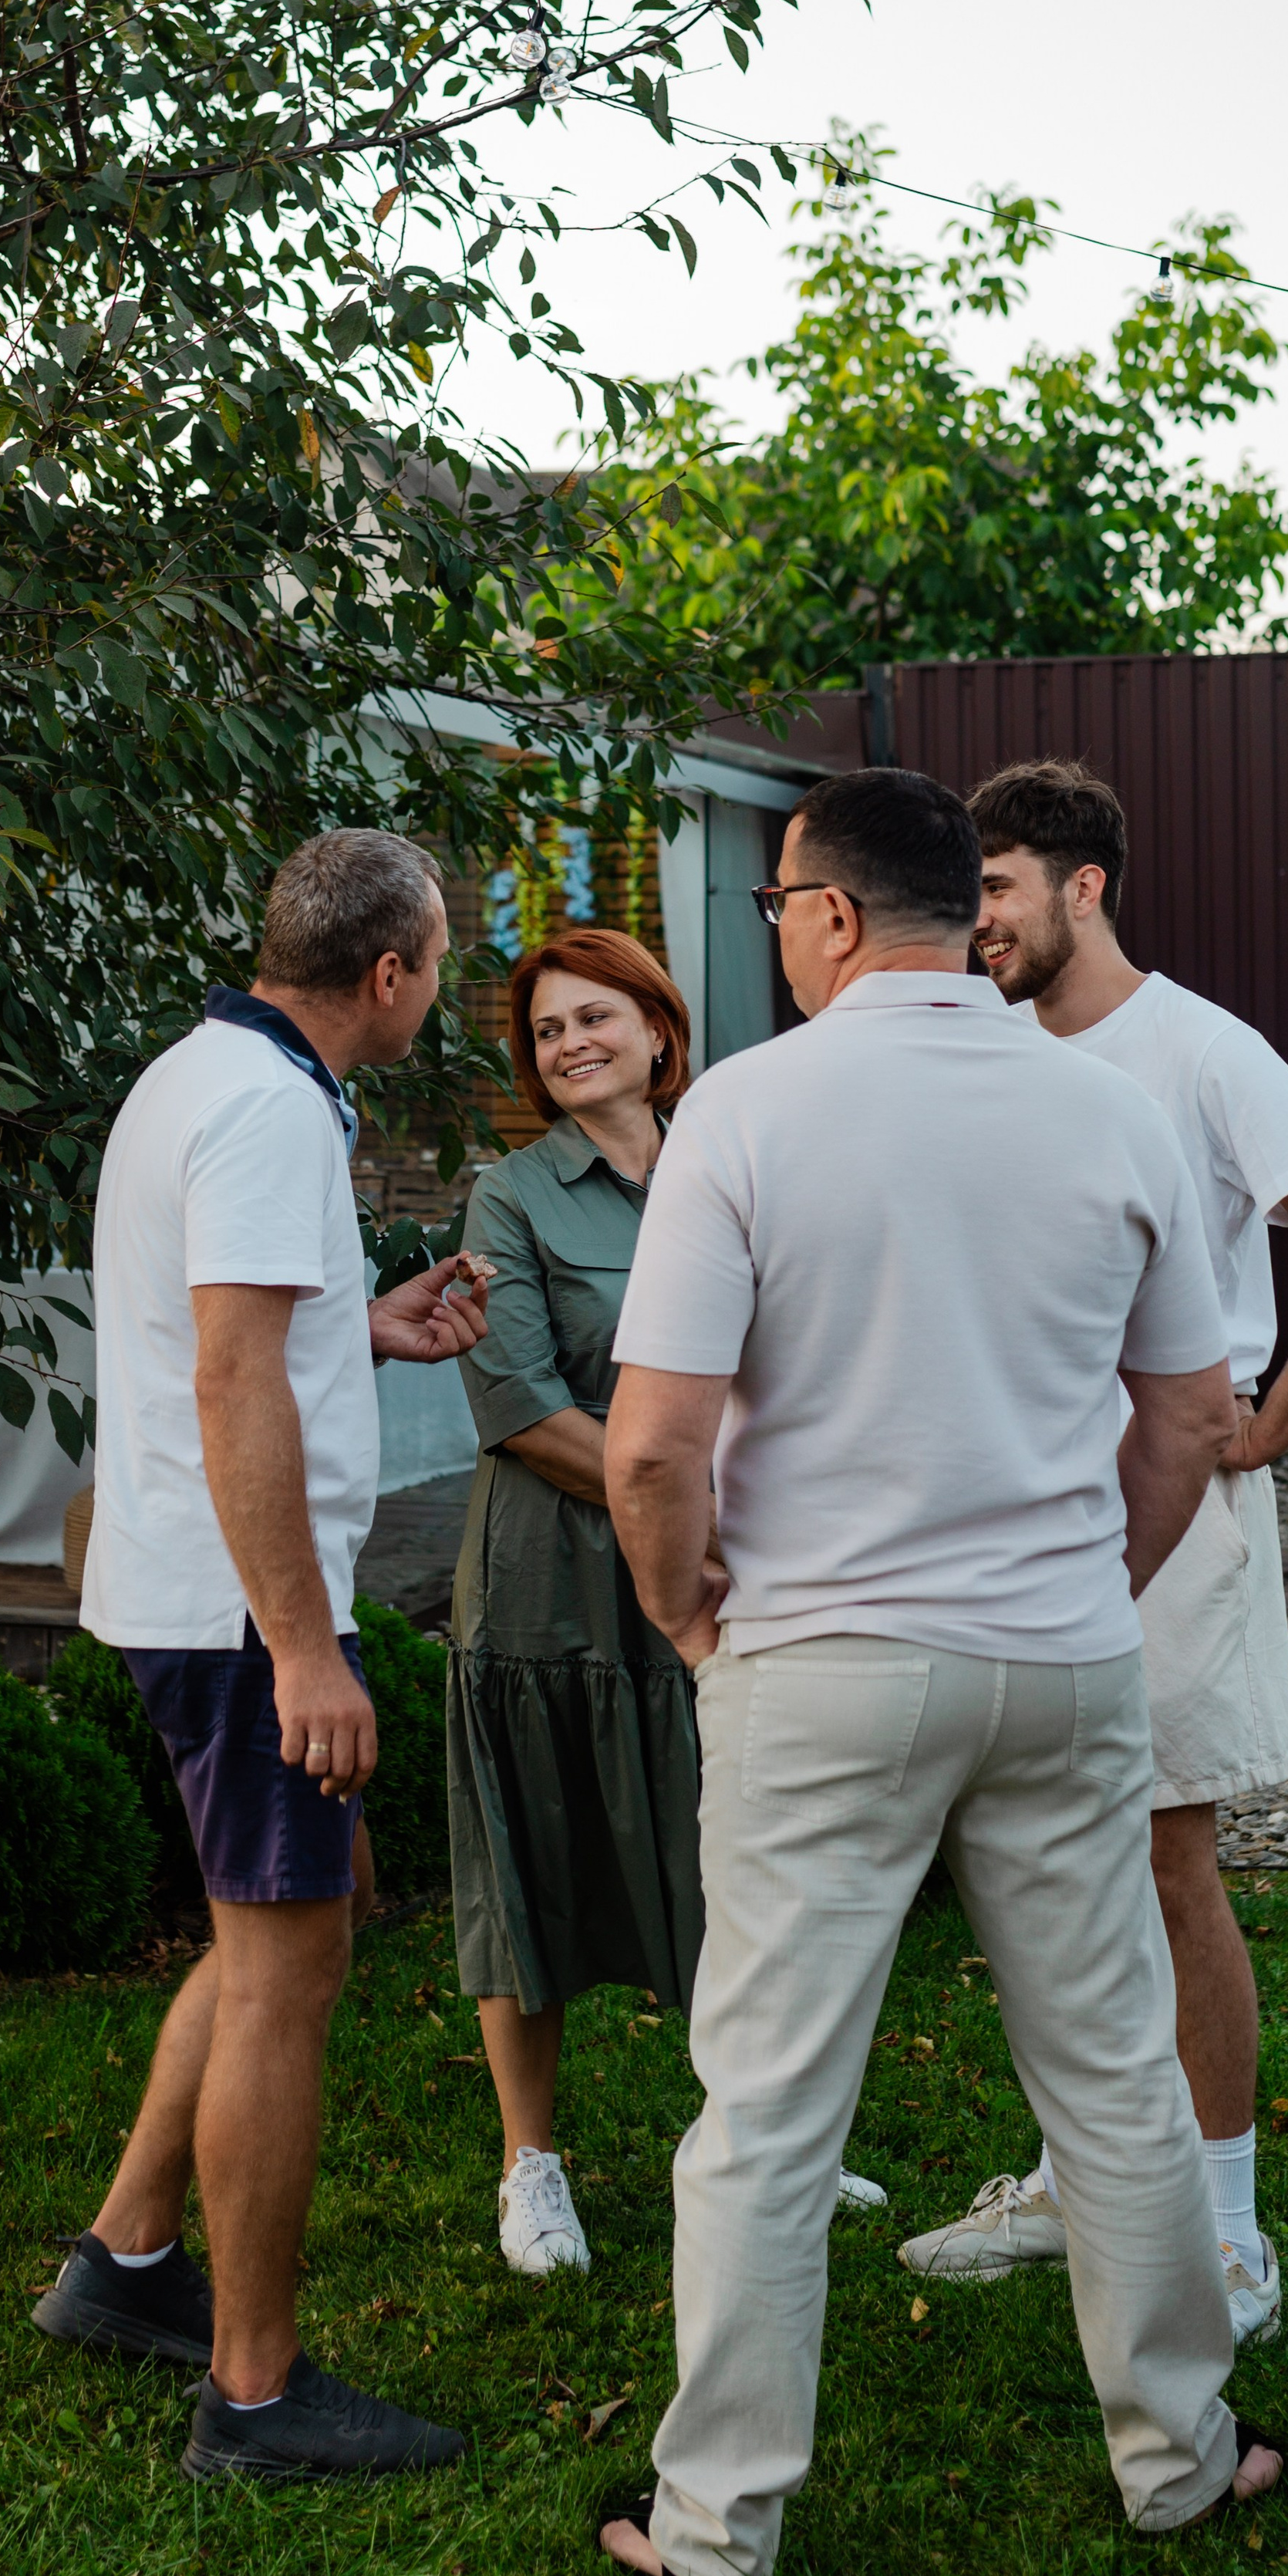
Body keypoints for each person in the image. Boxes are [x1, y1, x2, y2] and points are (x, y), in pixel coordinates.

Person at [597, 769, 1280, 2576]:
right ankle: (1178, 2461)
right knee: (1115, 2083)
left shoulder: (740, 1115)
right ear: (946, 912)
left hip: (816, 1665)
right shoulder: (1103, 1109)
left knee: (764, 2106)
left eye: (770, 915)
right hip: (1059, 1661)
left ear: (821, 915)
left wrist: (682, 1616)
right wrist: (1091, 1589)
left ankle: (718, 2529)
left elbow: (653, 1449)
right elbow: (1192, 1420)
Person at [905, 759, 1288, 2342]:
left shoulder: (1199, 1050)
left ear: (1083, 887)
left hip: (1173, 1483)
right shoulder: (973, 1049)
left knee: (1165, 1858)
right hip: (1013, 1496)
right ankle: (1076, 2181)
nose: (972, 919)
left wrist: (1261, 1431)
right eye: (963, 888)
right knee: (1040, 1860)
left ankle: (1224, 2226)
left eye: (994, 886)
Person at [33, 829, 491, 2485]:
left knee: (259, 1938)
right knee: (292, 1970)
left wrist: (358, 1326)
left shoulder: (202, 1073)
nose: (435, 994)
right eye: (437, 964)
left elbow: (232, 1336)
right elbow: (231, 1385)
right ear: (386, 972)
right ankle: (253, 2392)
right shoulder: (269, 1109)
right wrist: (307, 1649)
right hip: (239, 1616)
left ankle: (127, 2262)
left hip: (198, 1591)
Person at [447, 928, 886, 2277]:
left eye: (595, 1017)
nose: (569, 1043)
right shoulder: (512, 1198)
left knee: (744, 1864)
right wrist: (687, 1501)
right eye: (545, 1031)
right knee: (530, 1878)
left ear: (657, 1027)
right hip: (553, 1594)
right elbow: (521, 1405)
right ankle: (533, 2167)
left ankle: (766, 2139)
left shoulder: (735, 1155)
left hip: (716, 1580)